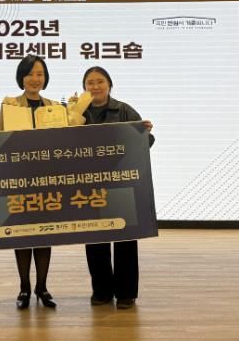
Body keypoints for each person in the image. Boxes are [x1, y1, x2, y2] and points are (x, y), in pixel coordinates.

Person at [80, 66, 154, 309]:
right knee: (95, 240)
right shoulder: (77, 114)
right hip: (89, 186)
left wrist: (144, 132)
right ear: (84, 88)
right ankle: (101, 291)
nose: (95, 86)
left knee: (125, 240)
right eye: (90, 83)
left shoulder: (124, 110)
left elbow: (145, 141)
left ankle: (126, 293)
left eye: (100, 81)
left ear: (109, 85)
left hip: (121, 185)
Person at [0, 54, 58, 309]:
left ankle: (42, 287)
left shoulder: (55, 106)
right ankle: (24, 287)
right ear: (21, 77)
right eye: (30, 74)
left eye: (40, 74)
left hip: (47, 179)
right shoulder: (10, 105)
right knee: (22, 235)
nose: (35, 79)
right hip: (19, 179)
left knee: (44, 235)